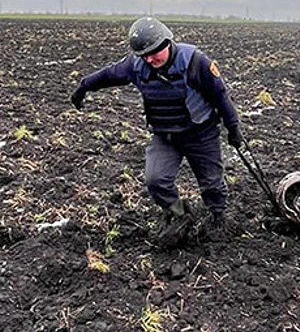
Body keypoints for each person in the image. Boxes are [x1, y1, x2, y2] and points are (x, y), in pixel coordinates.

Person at [70, 17, 243, 244]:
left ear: (167, 43)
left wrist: (233, 128)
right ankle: (180, 214)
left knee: (211, 182)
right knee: (155, 179)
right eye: (145, 55)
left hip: (200, 133)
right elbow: (109, 74)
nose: (150, 59)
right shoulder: (137, 65)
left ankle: (217, 217)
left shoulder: (195, 62)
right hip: (165, 135)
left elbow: (219, 95)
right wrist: (83, 87)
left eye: (154, 53)